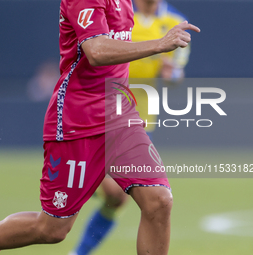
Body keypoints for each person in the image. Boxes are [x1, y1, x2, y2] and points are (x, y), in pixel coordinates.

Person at [0, 1, 199, 255]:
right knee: (52, 229)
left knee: (159, 201)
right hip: (78, 122)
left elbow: (119, 67)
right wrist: (159, 43)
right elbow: (96, 51)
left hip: (121, 120)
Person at [70, 1, 192, 255]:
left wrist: (172, 74)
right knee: (111, 193)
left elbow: (177, 71)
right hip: (96, 112)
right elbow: (96, 49)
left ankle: (79, 252)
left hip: (136, 118)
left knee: (119, 197)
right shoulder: (118, 13)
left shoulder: (174, 22)